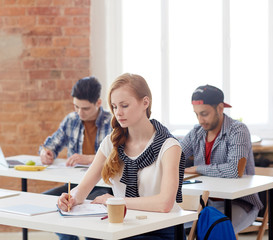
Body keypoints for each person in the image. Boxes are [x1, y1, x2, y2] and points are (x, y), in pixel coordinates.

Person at [58, 73, 186, 240]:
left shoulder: (169, 146)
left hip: (161, 231)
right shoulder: (111, 143)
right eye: (114, 106)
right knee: (94, 236)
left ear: (145, 103)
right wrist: (71, 198)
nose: (118, 113)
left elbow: (165, 204)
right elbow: (82, 190)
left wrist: (115, 201)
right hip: (123, 226)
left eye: (124, 105)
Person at [180, 84, 263, 233]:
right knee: (173, 228)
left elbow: (234, 170)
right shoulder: (196, 132)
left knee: (212, 230)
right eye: (196, 114)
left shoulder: (238, 130)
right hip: (206, 203)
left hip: (240, 203)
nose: (200, 120)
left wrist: (196, 169)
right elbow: (175, 157)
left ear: (220, 108)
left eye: (204, 113)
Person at [39, 76, 113, 199]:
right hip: (74, 184)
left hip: (103, 186)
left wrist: (90, 159)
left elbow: (119, 159)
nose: (79, 112)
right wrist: (46, 152)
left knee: (78, 204)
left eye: (85, 108)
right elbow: (51, 145)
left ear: (98, 103)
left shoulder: (112, 122)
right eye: (76, 106)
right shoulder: (71, 120)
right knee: (42, 199)